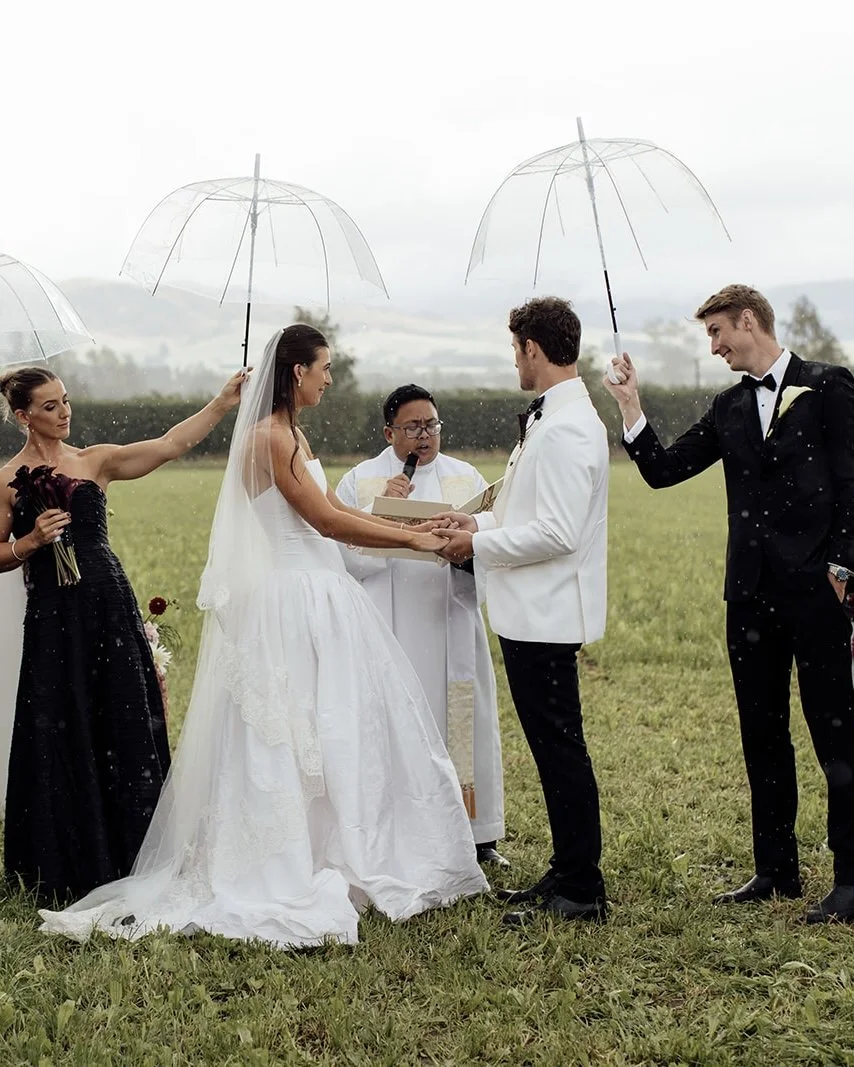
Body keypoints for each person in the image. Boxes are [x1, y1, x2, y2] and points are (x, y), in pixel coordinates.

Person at [38, 324, 488, 949]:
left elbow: (337, 513)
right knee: (293, 728)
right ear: (296, 372)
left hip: (319, 593)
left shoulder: (293, 433)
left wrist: (407, 519)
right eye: (324, 367)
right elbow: (325, 520)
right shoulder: (268, 437)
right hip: (291, 600)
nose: (330, 377)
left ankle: (340, 843)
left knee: (333, 725)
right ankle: (287, 856)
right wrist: (413, 539)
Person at [603, 283, 854, 924]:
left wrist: (845, 566)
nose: (713, 347)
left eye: (717, 333)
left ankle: (852, 879)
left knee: (837, 736)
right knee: (761, 733)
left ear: (749, 321)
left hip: (822, 594)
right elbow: (662, 470)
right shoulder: (728, 407)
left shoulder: (829, 386)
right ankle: (776, 870)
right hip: (748, 597)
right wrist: (630, 405)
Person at [0, 364, 248, 903]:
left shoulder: (96, 461)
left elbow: (169, 445)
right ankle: (65, 856)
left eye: (65, 401)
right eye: (49, 407)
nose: (64, 412)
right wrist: (30, 544)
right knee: (60, 723)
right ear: (22, 416)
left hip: (108, 607)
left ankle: (136, 849)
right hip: (51, 620)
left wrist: (222, 402)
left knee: (121, 717)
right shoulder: (4, 480)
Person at [436, 297, 610, 925]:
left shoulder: (566, 428)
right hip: (530, 610)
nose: (514, 360)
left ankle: (582, 891)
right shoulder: (553, 419)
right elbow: (525, 512)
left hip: (547, 612)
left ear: (533, 348)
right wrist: (476, 520)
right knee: (551, 745)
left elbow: (559, 532)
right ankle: (565, 873)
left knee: (560, 748)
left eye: (515, 349)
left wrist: (475, 544)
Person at [336, 385, 507, 866]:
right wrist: (381, 515)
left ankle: (476, 838)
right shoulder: (362, 480)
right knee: (397, 727)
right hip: (391, 628)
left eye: (432, 425)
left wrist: (466, 544)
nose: (424, 436)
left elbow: (489, 537)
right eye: (413, 427)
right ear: (389, 431)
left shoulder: (464, 477)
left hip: (449, 617)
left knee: (462, 725)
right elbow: (344, 555)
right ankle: (399, 833)